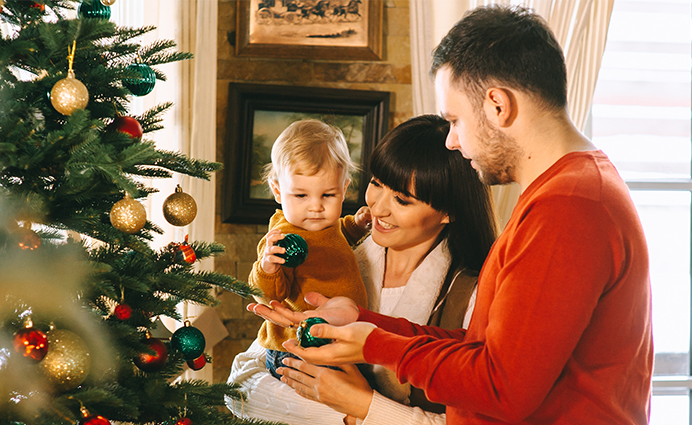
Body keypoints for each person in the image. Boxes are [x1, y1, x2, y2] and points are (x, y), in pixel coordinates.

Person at [251, 5, 653, 425]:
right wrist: (362, 321)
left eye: (455, 120)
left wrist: (374, 345)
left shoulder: (569, 209)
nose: (451, 142)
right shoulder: (568, 191)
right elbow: (485, 351)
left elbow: (500, 388)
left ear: (498, 105)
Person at [226, 115, 497, 424]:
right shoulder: (334, 252)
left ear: (447, 211)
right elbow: (241, 380)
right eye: (376, 184)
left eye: (401, 200)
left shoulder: (471, 297)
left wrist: (362, 407)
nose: (378, 208)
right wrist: (344, 412)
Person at [249, 119, 370, 380]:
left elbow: (338, 235)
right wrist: (268, 267)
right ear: (278, 191)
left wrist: (357, 226)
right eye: (301, 196)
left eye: (328, 195)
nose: (316, 207)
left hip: (338, 335)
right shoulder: (281, 239)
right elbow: (269, 296)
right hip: (298, 345)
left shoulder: (326, 225)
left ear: (344, 189)